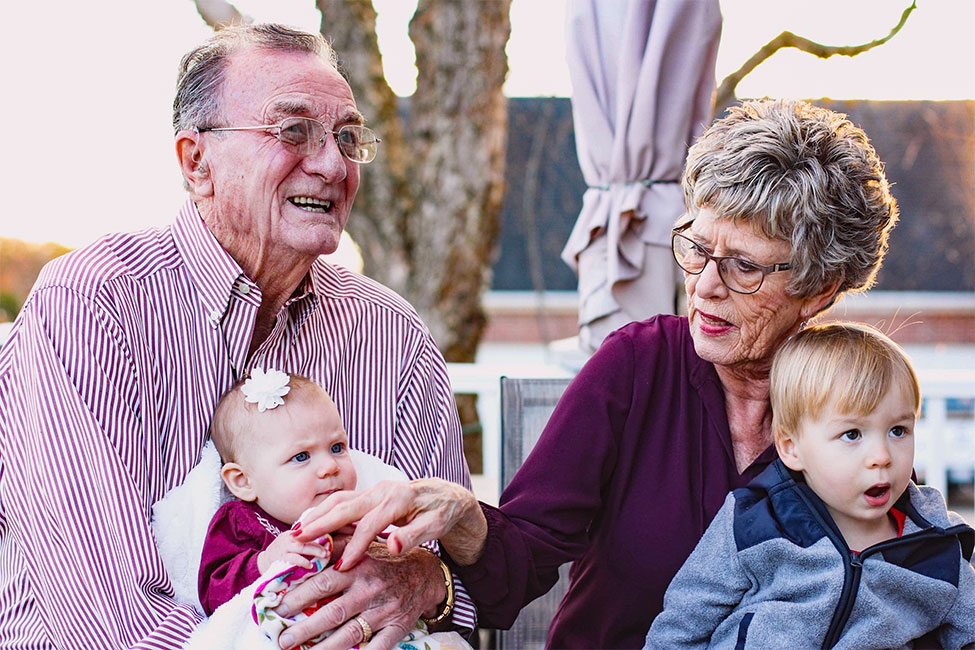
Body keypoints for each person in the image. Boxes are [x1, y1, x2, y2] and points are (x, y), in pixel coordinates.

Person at [293, 98, 904, 649]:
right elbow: (518, 567)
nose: (705, 286)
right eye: (696, 247)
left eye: (744, 266)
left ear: (818, 288)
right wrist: (463, 511)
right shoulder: (637, 367)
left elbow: (898, 579)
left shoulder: (859, 404)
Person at [0, 24, 473, 650]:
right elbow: (106, 619)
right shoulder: (93, 304)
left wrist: (426, 580)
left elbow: (460, 584)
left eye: (348, 137)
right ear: (198, 163)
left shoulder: (392, 332)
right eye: (293, 130)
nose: (333, 164)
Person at [645, 322, 975, 648]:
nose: (882, 456)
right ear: (791, 447)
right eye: (852, 435)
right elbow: (683, 624)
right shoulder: (756, 523)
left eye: (898, 430)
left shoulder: (937, 548)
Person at [199, 370, 357, 615]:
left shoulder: (357, 512)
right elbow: (213, 593)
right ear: (243, 481)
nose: (330, 466)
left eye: (337, 447)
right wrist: (264, 562)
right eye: (301, 456)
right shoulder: (243, 522)